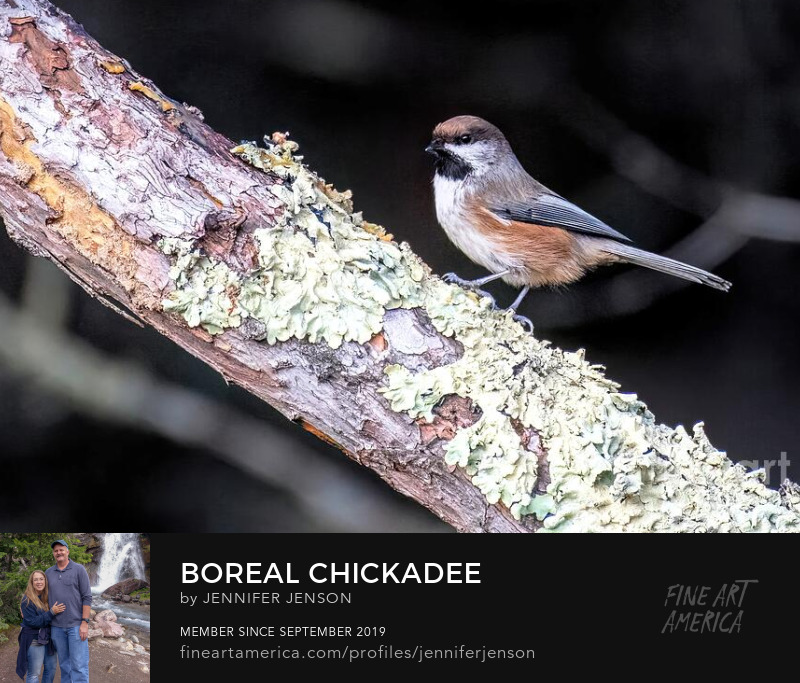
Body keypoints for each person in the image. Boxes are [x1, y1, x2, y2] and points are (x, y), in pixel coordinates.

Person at [45, 540, 92, 683]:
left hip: (76, 626)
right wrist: (25, 606)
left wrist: (85, 622)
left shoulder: (79, 569)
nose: (58, 552)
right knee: (65, 665)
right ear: (53, 554)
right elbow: (40, 595)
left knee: (79, 665)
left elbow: (87, 597)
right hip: (56, 627)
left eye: (61, 550)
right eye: (56, 551)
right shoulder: (48, 572)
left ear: (67, 551)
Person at [16, 570, 65, 682]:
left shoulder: (48, 597)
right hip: (34, 638)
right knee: (34, 673)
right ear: (31, 583)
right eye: (36, 579)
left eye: (41, 579)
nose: (39, 582)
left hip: (48, 638)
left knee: (51, 669)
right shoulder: (27, 600)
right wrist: (51, 612)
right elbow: (33, 622)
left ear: (45, 581)